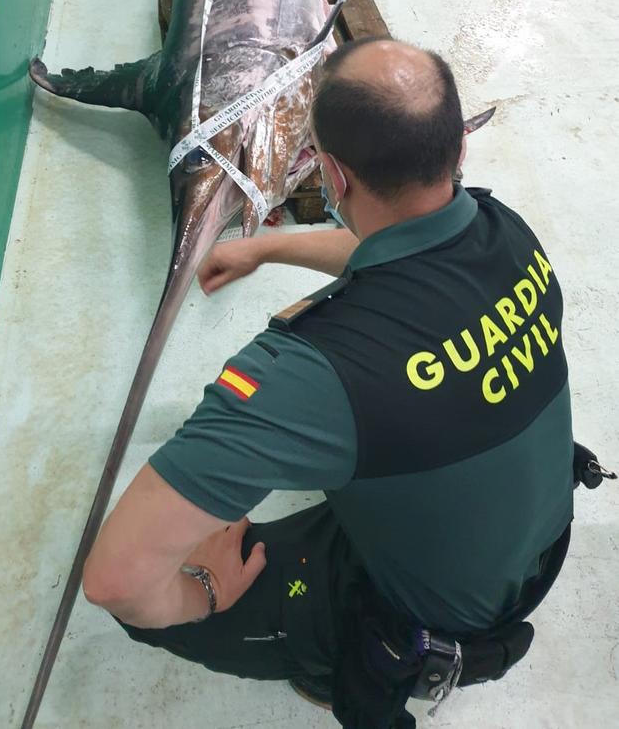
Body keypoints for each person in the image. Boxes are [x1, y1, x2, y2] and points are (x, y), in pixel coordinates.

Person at [81, 38, 574, 725]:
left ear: (333, 179)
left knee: (145, 608)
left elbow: (114, 578)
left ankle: (328, 659)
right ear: (458, 150)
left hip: (433, 619)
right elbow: (400, 244)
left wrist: (202, 588)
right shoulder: (507, 232)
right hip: (537, 549)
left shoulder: (311, 375)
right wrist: (269, 244)